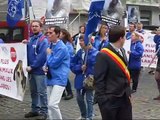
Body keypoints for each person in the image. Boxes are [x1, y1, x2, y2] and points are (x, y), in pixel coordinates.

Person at [94, 25, 132, 120]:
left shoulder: (122, 51)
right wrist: (103, 101)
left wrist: (128, 92)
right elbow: (99, 80)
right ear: (120, 38)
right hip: (110, 100)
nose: (125, 39)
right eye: (124, 36)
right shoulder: (103, 55)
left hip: (124, 98)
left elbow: (125, 73)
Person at [43, 26, 70, 119]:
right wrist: (44, 67)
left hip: (59, 79)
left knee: (52, 104)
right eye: (48, 33)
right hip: (50, 78)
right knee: (49, 105)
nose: (48, 35)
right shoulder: (51, 44)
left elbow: (53, 63)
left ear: (58, 34)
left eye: (51, 33)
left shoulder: (62, 48)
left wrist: (49, 54)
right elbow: (48, 62)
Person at [23, 20, 48, 119]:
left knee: (42, 92)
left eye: (36, 26)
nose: (34, 28)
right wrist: (25, 44)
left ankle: (44, 112)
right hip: (31, 71)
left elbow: (41, 57)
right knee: (33, 92)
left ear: (40, 27)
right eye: (32, 26)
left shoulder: (43, 40)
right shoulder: (31, 38)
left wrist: (32, 66)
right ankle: (35, 110)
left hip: (39, 72)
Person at [71, 34, 98, 119]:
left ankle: (89, 117)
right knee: (79, 98)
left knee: (89, 99)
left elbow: (97, 67)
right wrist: (79, 67)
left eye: (82, 40)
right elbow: (72, 64)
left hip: (90, 79)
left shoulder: (95, 53)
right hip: (80, 78)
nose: (80, 42)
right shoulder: (79, 52)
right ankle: (84, 114)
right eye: (80, 40)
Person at [60, 28, 74, 100]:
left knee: (65, 77)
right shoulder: (59, 42)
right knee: (60, 77)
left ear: (64, 35)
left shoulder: (68, 44)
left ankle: (70, 92)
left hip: (65, 63)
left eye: (60, 33)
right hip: (60, 63)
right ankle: (62, 93)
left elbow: (70, 54)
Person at [153, 27, 160, 100]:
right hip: (159, 60)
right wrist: (157, 35)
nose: (157, 31)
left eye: (158, 30)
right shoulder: (158, 38)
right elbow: (154, 40)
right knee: (157, 78)